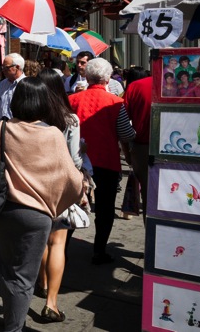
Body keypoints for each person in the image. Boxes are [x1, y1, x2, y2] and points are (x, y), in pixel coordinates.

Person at [0, 77, 83, 331]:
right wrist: (61, 200)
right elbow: (71, 178)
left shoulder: (1, 128)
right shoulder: (51, 134)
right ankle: (13, 327)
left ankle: (11, 320)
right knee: (24, 276)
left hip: (2, 209)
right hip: (37, 214)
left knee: (9, 268)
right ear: (44, 102)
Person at [69, 58, 135, 265]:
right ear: (107, 78)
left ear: (87, 77)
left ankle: (61, 248)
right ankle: (99, 250)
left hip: (77, 161)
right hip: (106, 160)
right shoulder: (116, 102)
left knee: (73, 204)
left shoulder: (72, 99)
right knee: (105, 209)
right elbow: (126, 133)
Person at [35, 69, 84, 323]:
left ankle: (42, 282)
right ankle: (51, 303)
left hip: (35, 186)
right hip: (62, 187)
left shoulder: (31, 119)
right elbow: (75, 160)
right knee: (58, 243)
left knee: (43, 238)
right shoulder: (70, 119)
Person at [122, 67, 151, 220]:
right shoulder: (188, 85)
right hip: (184, 149)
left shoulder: (135, 86)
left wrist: (127, 152)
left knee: (149, 196)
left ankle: (152, 239)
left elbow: (122, 122)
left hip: (143, 149)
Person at [0, 53, 25, 129]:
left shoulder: (26, 84)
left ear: (17, 67)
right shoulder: (4, 83)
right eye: (2, 67)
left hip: (17, 130)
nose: (3, 70)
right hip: (1, 129)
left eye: (6, 68)